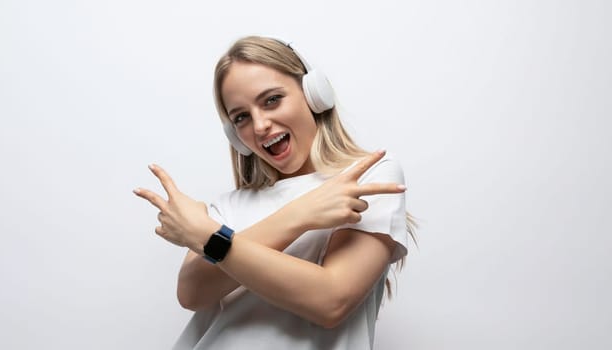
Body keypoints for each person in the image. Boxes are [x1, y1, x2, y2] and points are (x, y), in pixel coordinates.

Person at [134, 36, 415, 349]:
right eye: (241, 117)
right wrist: (299, 215)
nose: (260, 125)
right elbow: (192, 293)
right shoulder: (228, 207)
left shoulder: (367, 176)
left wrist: (207, 236)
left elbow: (331, 300)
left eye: (272, 100)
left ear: (314, 95)